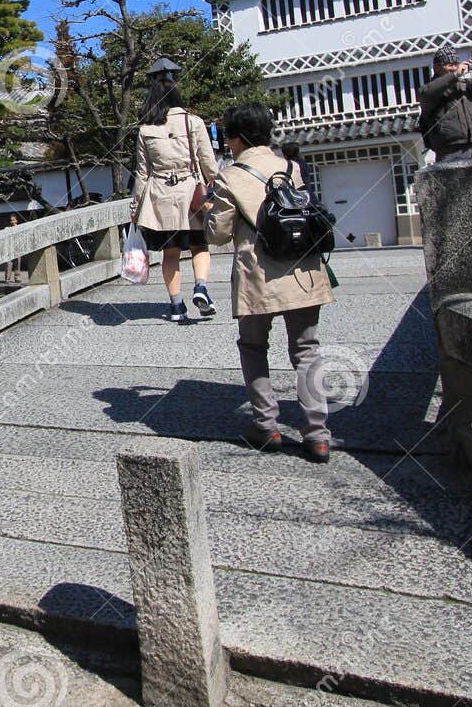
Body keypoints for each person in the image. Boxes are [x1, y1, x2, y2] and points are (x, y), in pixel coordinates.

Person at [203, 102, 338, 462]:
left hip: (258, 273)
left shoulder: (230, 175)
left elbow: (217, 234)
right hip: (302, 269)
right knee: (307, 350)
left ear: (237, 138)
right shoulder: (291, 166)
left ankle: (266, 425)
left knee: (252, 347)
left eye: (227, 136)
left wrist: (206, 209)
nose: (226, 143)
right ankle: (318, 436)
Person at [129, 83, 219, 323]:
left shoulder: (145, 130)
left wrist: (136, 206)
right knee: (200, 247)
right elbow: (207, 161)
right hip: (191, 194)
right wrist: (217, 184)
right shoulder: (194, 122)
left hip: (160, 198)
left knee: (171, 253)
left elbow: (142, 173)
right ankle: (201, 287)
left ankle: (177, 305)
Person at [418, 46, 472, 162]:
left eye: (456, 64)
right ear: (437, 67)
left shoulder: (467, 86)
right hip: (448, 148)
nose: (455, 68)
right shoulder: (429, 90)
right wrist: (455, 75)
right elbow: (427, 93)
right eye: (449, 65)